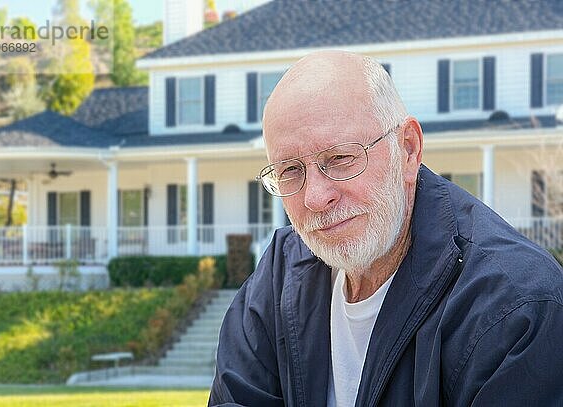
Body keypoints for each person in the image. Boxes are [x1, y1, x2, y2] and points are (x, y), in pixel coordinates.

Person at [208, 51, 563, 406]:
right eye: (290, 171)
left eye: (340, 158)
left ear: (408, 149)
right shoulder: (279, 276)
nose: (315, 197)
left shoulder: (517, 309)